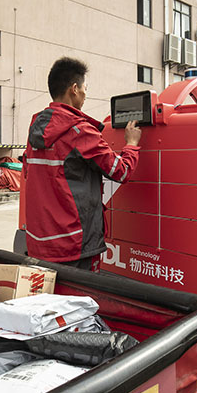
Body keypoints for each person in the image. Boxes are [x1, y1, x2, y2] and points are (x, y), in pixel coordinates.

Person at [23, 57, 142, 270]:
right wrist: (131, 144)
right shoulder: (80, 131)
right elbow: (121, 171)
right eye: (85, 89)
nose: (86, 95)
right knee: (79, 293)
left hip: (39, 242)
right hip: (74, 245)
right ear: (74, 89)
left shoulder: (36, 128)